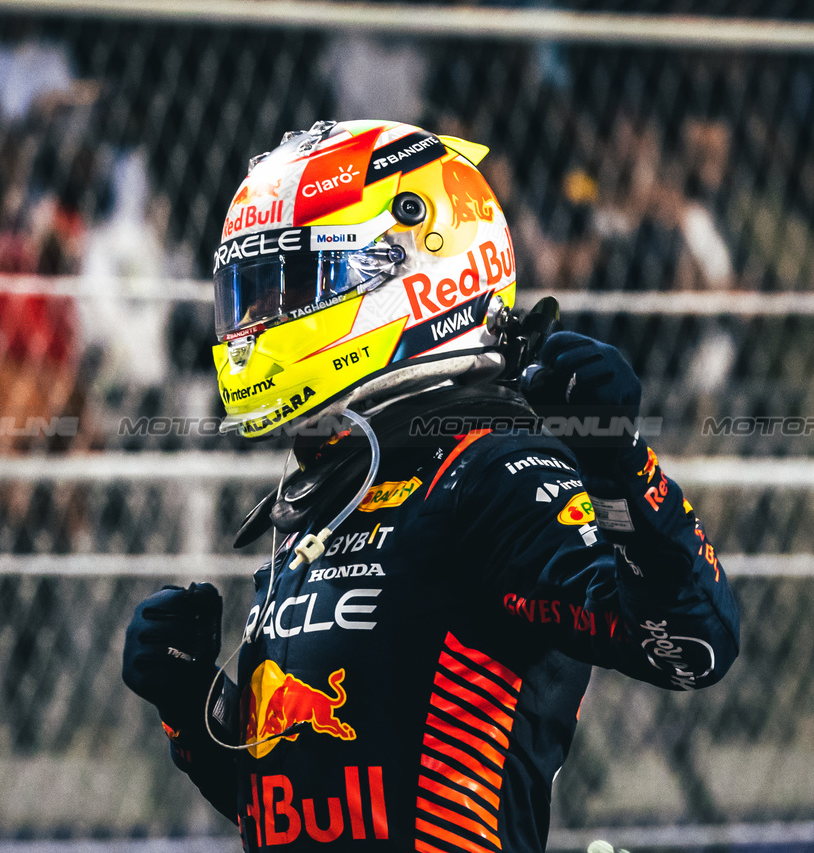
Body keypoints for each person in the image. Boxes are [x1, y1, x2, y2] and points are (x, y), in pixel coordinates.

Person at [122, 120, 740, 851]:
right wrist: (191, 705)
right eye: (252, 291)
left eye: (293, 283)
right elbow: (296, 797)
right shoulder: (333, 482)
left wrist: (622, 473)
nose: (260, 319)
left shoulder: (490, 469)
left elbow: (692, 643)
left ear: (424, 261)